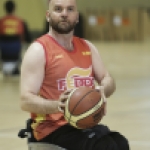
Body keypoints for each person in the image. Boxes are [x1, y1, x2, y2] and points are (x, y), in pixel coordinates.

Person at [20, 0, 130, 150]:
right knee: (105, 147)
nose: (64, 14)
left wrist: (102, 89)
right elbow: (25, 100)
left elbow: (107, 78)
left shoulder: (87, 47)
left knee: (120, 143)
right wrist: (58, 106)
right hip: (51, 129)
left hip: (83, 122)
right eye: (58, 9)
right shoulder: (39, 50)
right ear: (48, 15)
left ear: (77, 17)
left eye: (70, 9)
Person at [0, 0, 31, 75]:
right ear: (14, 8)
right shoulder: (21, 21)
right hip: (16, 51)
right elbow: (28, 39)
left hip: (3, 53)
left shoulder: (1, 21)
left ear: (5, 8)